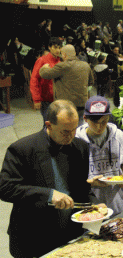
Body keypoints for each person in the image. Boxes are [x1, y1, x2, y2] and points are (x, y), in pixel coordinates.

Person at [0, 100, 105, 257]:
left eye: (74, 130)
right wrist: (49, 194)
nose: (71, 136)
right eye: (65, 132)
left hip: (68, 233)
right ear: (48, 125)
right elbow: (6, 189)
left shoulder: (80, 147)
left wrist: (95, 204)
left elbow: (82, 189)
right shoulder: (22, 149)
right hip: (33, 236)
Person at [75, 96, 123, 215]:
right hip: (91, 207)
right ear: (85, 118)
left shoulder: (118, 136)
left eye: (103, 122)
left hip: (117, 203)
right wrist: (92, 183)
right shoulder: (76, 140)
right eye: (94, 122)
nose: (98, 127)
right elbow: (73, 178)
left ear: (108, 118)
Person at [39, 44, 93, 126]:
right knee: (79, 127)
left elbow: (44, 74)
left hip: (66, 105)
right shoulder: (86, 65)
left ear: (64, 54)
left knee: (66, 127)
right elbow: (91, 82)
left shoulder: (63, 66)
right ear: (75, 53)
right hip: (82, 103)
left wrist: (45, 67)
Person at [30, 37, 62, 124]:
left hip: (58, 99)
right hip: (46, 99)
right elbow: (34, 79)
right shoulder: (42, 60)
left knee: (56, 124)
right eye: (55, 47)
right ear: (49, 47)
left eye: (59, 48)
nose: (58, 50)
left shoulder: (61, 62)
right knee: (47, 124)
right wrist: (36, 99)